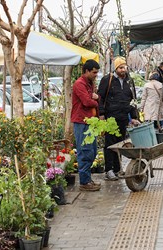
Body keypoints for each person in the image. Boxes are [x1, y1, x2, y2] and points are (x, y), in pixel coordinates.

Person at [98, 57, 139, 181]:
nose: (123, 70)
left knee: (120, 143)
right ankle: (108, 170)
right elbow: (100, 98)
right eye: (121, 67)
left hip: (123, 117)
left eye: (125, 67)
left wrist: (134, 117)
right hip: (111, 117)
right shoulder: (107, 80)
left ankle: (117, 169)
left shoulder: (129, 81)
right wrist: (101, 114)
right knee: (110, 144)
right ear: (116, 68)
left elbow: (133, 100)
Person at [71, 59, 101, 191]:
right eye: (94, 72)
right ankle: (84, 182)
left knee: (93, 151)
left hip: (89, 122)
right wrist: (96, 100)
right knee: (85, 151)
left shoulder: (89, 83)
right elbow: (87, 102)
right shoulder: (79, 84)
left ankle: (87, 179)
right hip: (81, 122)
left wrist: (95, 98)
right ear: (87, 71)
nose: (96, 75)